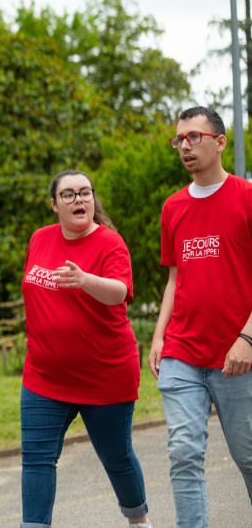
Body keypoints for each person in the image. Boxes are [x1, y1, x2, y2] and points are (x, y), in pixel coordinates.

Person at [20, 170, 152, 528]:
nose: (78, 200)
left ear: (93, 199)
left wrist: (84, 280)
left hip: (104, 376)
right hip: (44, 377)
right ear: (54, 205)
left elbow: (119, 292)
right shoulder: (40, 238)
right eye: (68, 195)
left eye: (84, 193)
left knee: (117, 457)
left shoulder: (110, 243)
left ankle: (138, 519)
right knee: (36, 459)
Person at [148, 106, 252, 527]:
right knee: (183, 453)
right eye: (179, 140)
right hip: (182, 351)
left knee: (248, 455)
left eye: (194, 137)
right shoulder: (173, 207)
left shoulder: (247, 196)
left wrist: (247, 338)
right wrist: (158, 337)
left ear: (220, 141)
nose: (185, 146)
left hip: (238, 355)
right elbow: (176, 278)